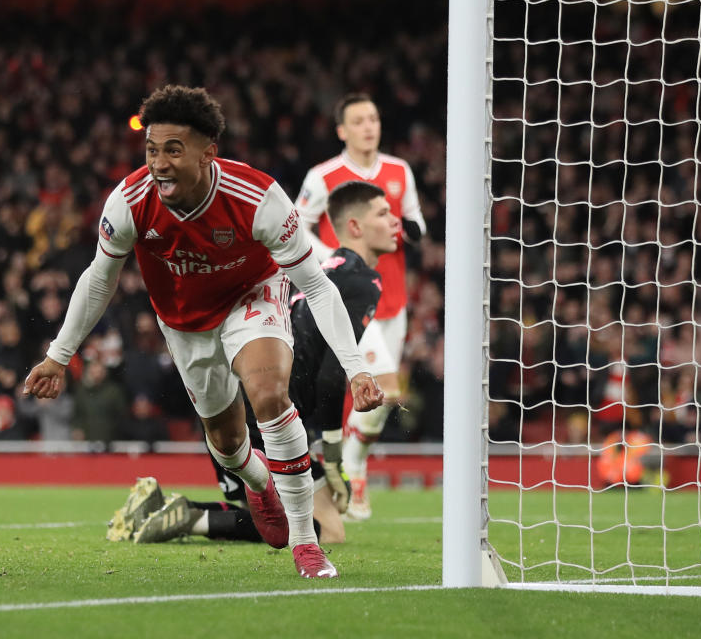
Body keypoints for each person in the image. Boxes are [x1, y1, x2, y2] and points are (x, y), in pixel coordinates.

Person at [24, 85, 383, 579]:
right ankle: (257, 480)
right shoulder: (130, 201)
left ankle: (306, 544)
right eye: (152, 150)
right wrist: (58, 355)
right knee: (228, 442)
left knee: (270, 395)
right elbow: (98, 279)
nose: (160, 163)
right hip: (184, 324)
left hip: (251, 297)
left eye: (174, 150)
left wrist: (357, 369)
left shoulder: (259, 198)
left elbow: (317, 288)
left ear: (208, 153)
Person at [126, 181, 399, 546]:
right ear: (355, 227)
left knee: (294, 510)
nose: (395, 221)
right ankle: (194, 517)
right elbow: (333, 379)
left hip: (234, 402)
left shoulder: (319, 268)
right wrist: (334, 461)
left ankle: (180, 512)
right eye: (383, 213)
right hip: (268, 413)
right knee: (328, 531)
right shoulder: (361, 280)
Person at [295, 93, 426, 520]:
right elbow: (298, 226)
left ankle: (350, 467)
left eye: (374, 118)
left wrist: (411, 229)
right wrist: (335, 254)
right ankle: (345, 468)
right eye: (359, 120)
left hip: (393, 299)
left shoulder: (399, 170)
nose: (369, 126)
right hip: (348, 298)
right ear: (342, 130)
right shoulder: (323, 176)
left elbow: (416, 219)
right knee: (385, 388)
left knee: (375, 401)